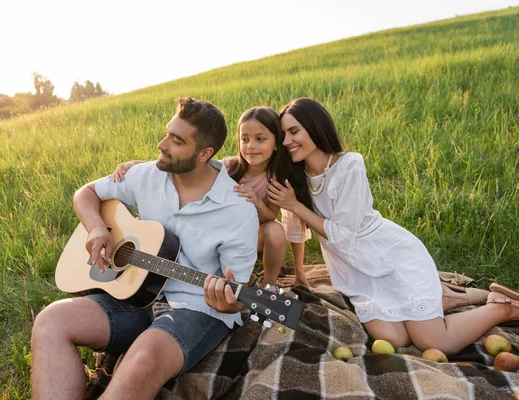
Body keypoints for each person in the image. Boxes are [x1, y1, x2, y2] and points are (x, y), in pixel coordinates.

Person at [30, 97, 259, 399]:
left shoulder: (238, 210)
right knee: (51, 320)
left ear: (205, 153)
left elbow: (237, 291)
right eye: (167, 133)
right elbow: (85, 193)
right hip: (134, 292)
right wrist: (97, 227)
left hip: (196, 306)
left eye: (176, 141)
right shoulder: (147, 175)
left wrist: (230, 302)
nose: (161, 145)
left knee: (142, 359)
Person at [267, 97, 519, 355]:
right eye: (283, 134)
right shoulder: (297, 175)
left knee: (432, 343)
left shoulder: (349, 166)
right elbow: (295, 227)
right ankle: (443, 299)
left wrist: (297, 206)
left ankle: (502, 306)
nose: (286, 141)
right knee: (396, 339)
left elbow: (342, 236)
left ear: (316, 127)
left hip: (391, 255)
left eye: (294, 131)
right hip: (356, 272)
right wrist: (299, 271)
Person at [112, 106, 311, 291]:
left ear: (276, 144)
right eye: (245, 139)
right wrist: (136, 165)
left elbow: (270, 216)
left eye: (260, 139)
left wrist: (256, 201)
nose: (251, 146)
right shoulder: (229, 167)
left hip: (255, 235)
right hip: (222, 232)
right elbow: (190, 166)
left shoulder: (276, 178)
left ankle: (269, 286)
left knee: (275, 230)